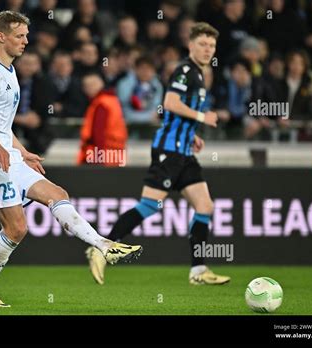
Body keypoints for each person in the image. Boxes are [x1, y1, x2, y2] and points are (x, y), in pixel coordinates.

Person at [0, 11, 142, 308]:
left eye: (27, 36)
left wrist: (19, 150)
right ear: (1, 36)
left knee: (57, 194)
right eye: (19, 36)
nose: (26, 41)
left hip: (5, 154)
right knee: (17, 229)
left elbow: (0, 125)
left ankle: (104, 245)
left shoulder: (9, 71)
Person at [86, 22, 231, 286]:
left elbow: (178, 115)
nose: (208, 49)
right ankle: (101, 247)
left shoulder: (198, 74)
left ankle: (198, 271)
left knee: (205, 206)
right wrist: (202, 117)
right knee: (149, 206)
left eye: (211, 45)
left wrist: (192, 134)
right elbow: (170, 104)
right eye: (203, 44)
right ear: (191, 45)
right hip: (168, 151)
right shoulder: (185, 70)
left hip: (184, 151)